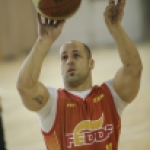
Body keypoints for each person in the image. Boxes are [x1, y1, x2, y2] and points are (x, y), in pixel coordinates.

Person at [16, 0, 143, 149]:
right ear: (60, 67)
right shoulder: (51, 103)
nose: (69, 61)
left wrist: (116, 28)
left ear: (91, 64)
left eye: (76, 55)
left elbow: (133, 69)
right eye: (64, 57)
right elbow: (25, 87)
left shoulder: (111, 96)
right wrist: (43, 41)